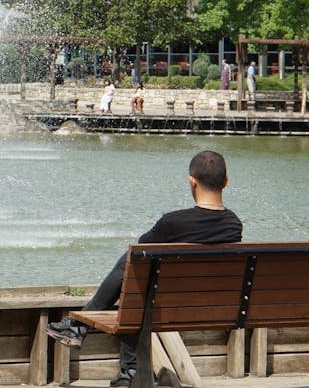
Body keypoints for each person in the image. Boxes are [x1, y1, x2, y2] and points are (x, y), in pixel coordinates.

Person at [46, 151, 242, 386]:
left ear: (192, 180)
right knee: (136, 291)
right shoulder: (234, 225)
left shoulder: (173, 222)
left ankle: (82, 329)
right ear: (226, 181)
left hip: (158, 308)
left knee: (132, 269)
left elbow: (139, 250)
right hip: (205, 308)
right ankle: (122, 364)